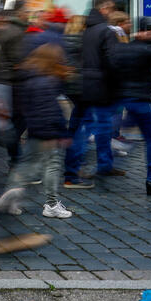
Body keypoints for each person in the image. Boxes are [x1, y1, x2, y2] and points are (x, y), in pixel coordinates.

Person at [0, 43, 73, 218]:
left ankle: (11, 195)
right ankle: (52, 204)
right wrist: (59, 132)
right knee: (52, 164)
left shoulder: (29, 78)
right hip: (46, 131)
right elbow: (50, 110)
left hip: (34, 128)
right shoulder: (47, 81)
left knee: (25, 165)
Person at [112, 16, 151, 195]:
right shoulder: (147, 50)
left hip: (125, 98)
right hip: (141, 100)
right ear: (148, 31)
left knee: (128, 127)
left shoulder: (126, 48)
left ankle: (116, 141)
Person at [80, 0, 122, 176]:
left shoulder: (87, 30)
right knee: (99, 126)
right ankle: (98, 165)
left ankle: (100, 164)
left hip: (88, 82)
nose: (113, 12)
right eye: (111, 9)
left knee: (93, 126)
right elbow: (113, 60)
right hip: (102, 85)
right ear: (104, 9)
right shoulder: (106, 31)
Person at [60, 14, 94, 189]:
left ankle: (72, 168)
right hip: (83, 88)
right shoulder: (84, 41)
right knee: (81, 131)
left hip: (69, 87)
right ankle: (72, 173)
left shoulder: (63, 40)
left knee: (74, 128)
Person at [0, 1, 30, 166]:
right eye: (26, 11)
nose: (28, 13)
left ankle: (14, 155)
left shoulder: (7, 29)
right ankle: (15, 157)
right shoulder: (17, 32)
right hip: (14, 82)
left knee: (14, 120)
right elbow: (18, 60)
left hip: (5, 81)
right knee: (20, 120)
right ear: (19, 12)